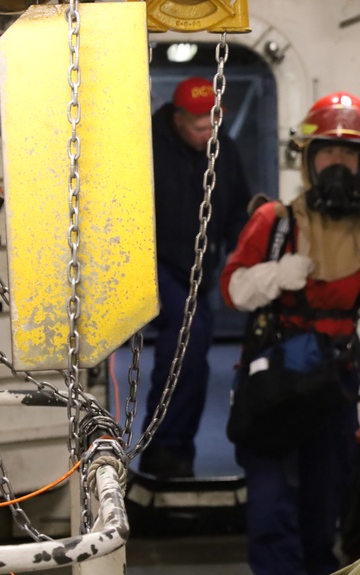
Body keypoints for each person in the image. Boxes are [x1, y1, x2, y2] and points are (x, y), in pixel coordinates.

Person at [220, 91, 360, 575]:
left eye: (348, 158)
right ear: (306, 160)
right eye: (325, 155)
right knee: (272, 496)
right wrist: (271, 276)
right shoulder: (274, 223)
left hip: (333, 377)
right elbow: (232, 288)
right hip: (275, 373)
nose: (336, 168)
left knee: (325, 497)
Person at [138, 76, 252, 479]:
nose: (206, 135)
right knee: (188, 340)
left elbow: (238, 208)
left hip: (197, 270)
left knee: (194, 356)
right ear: (178, 119)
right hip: (155, 264)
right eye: (197, 128)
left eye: (212, 125)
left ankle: (175, 449)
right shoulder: (146, 147)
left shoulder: (224, 151)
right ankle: (165, 447)